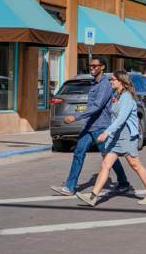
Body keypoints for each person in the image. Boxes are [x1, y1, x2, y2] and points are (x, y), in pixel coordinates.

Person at [76, 70, 146, 206]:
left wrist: (106, 133)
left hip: (126, 135)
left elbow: (121, 119)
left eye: (113, 79)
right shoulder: (117, 95)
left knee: (135, 165)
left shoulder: (126, 97)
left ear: (121, 81)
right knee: (105, 165)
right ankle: (93, 197)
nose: (111, 81)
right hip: (116, 136)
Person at [51, 57, 130, 196]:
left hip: (101, 126)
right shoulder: (94, 83)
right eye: (90, 66)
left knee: (108, 156)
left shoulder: (105, 84)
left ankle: (123, 182)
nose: (91, 68)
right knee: (78, 153)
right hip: (89, 126)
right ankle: (70, 187)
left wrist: (76, 117)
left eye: (95, 66)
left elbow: (97, 106)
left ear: (102, 67)